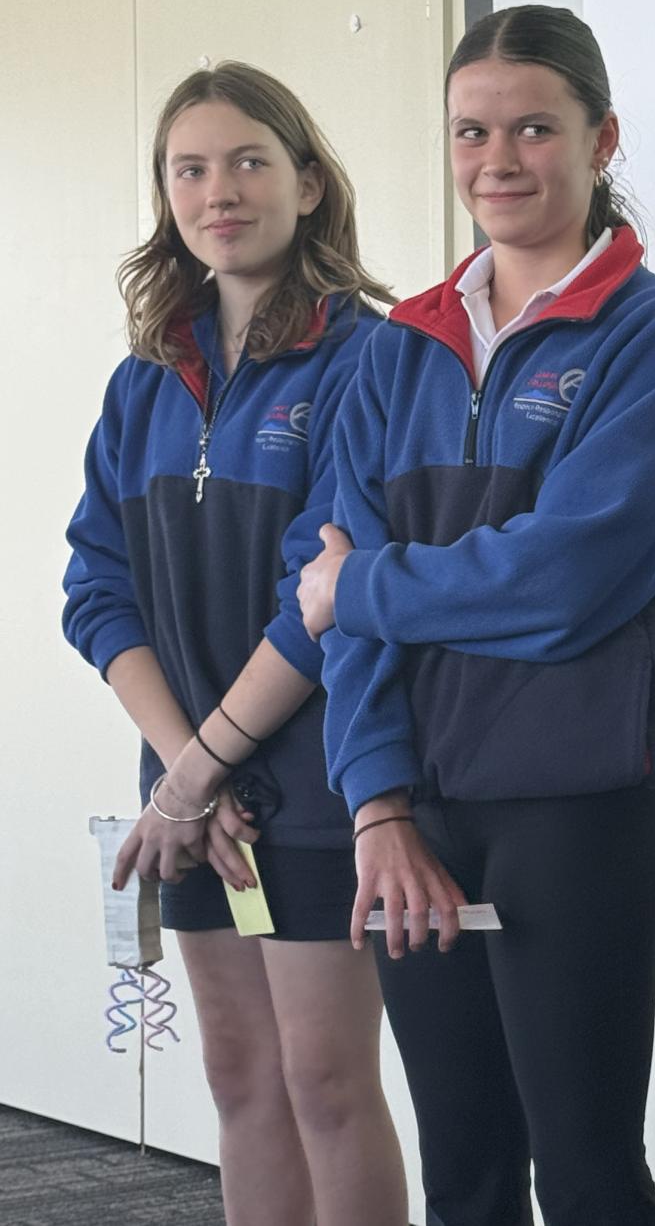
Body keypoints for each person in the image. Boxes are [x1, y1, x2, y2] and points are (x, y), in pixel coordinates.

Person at [296, 4, 655, 1226]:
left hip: (576, 811)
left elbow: (567, 581)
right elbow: (334, 586)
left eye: (534, 127)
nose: (499, 158)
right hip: (415, 816)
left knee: (588, 1172)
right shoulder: (398, 351)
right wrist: (377, 802)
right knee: (467, 1177)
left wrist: (369, 589)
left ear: (600, 140)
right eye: (471, 132)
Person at [62, 62, 408, 1226]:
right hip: (194, 805)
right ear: (168, 196)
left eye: (250, 161)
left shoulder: (370, 360)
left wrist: (203, 769)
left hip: (308, 796)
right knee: (239, 1075)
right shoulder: (141, 382)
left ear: (308, 184)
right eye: (191, 169)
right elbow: (96, 588)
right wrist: (179, 775)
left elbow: (318, 602)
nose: (221, 190)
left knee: (324, 1080)